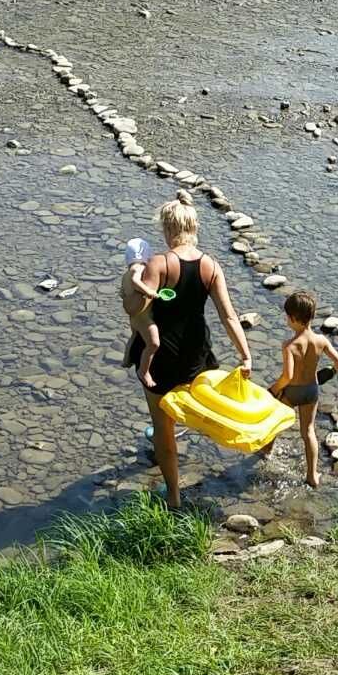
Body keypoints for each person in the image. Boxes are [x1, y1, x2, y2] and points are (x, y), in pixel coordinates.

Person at [126, 194, 252, 511]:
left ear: (168, 230)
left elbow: (135, 308)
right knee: (199, 403)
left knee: (162, 423)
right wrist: (245, 355)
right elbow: (229, 316)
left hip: (161, 357)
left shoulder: (159, 263)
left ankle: (173, 496)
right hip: (197, 353)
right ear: (194, 228)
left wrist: (133, 277)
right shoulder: (210, 266)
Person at [270, 289, 338, 488]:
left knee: (274, 423)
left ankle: (266, 451)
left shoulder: (290, 345)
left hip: (292, 391)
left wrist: (273, 390)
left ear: (293, 318)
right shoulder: (321, 341)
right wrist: (325, 375)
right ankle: (312, 475)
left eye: (287, 317)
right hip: (311, 391)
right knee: (308, 431)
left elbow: (288, 376)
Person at [119, 235, 160, 384]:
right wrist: (148, 292)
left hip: (134, 316)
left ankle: (126, 360)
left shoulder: (125, 274)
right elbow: (136, 282)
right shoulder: (139, 268)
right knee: (154, 343)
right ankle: (144, 371)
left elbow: (122, 292)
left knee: (134, 335)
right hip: (143, 317)